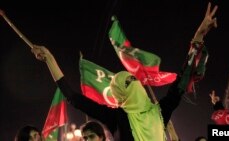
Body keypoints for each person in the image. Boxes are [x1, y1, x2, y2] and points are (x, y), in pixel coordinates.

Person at [31, 2, 218, 141]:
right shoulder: (117, 118)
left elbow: (183, 78)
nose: (134, 83)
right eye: (127, 84)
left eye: (132, 79)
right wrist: (49, 58)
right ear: (120, 95)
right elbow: (73, 97)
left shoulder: (159, 112)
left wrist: (199, 36)